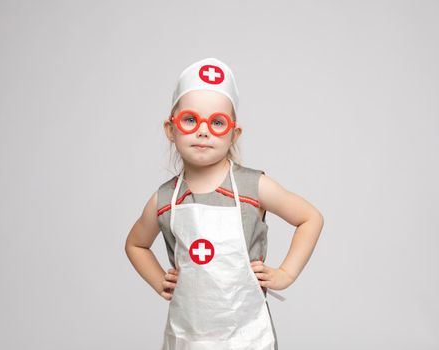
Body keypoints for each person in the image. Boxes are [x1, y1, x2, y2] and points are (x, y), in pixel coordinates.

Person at [125, 57, 324, 350]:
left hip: (246, 336)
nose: (203, 131)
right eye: (190, 120)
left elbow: (310, 218)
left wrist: (286, 273)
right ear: (171, 129)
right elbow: (135, 244)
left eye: (217, 123)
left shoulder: (253, 187)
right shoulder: (165, 199)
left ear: (233, 133)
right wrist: (159, 281)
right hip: (188, 336)